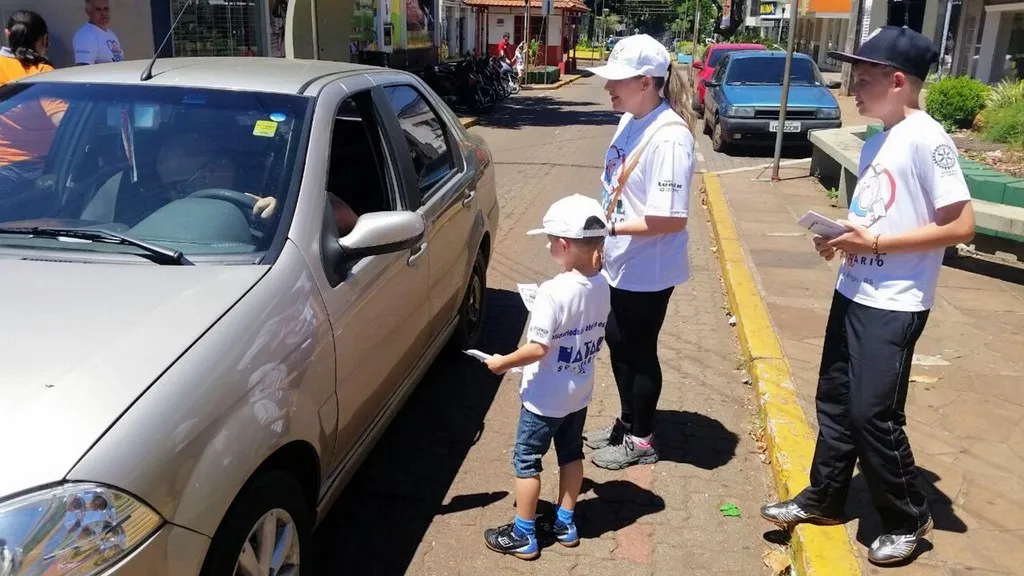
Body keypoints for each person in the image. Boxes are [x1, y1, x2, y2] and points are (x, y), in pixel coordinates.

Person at [759, 27, 976, 566]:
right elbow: (874, 214)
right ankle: (826, 498)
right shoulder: (880, 138)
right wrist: (843, 237)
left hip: (897, 301)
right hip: (854, 289)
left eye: (865, 78)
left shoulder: (929, 139)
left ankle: (907, 515)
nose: (852, 87)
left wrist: (874, 241)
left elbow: (963, 225)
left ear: (898, 81)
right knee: (834, 403)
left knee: (872, 413)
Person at [580, 34, 697, 470]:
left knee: (638, 349)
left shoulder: (669, 138)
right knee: (617, 339)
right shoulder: (631, 118)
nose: (608, 88)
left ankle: (641, 440)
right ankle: (628, 422)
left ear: (646, 82)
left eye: (617, 80)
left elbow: (670, 219)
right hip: (623, 260)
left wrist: (604, 227)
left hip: (648, 267)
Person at [481, 194, 611, 560]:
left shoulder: (552, 293)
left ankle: (524, 532)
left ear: (565, 246)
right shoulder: (602, 285)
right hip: (578, 392)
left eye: (550, 239)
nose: (548, 244)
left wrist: (501, 362)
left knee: (527, 460)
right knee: (571, 454)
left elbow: (538, 348)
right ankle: (565, 522)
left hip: (544, 398)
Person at [154, 132, 359, 235]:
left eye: (181, 187)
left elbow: (348, 222)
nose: (175, 198)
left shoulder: (281, 181)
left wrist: (283, 217)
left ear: (213, 170)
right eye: (168, 189)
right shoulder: (149, 214)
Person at [0, 11, 65, 194]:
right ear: (44, 39)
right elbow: (61, 118)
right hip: (38, 170)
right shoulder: (42, 70)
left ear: (7, 33)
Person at [73, 0, 124, 65]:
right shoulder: (85, 36)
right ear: (88, 12)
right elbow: (83, 69)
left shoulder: (111, 34)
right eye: (98, 9)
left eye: (106, 9)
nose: (104, 13)